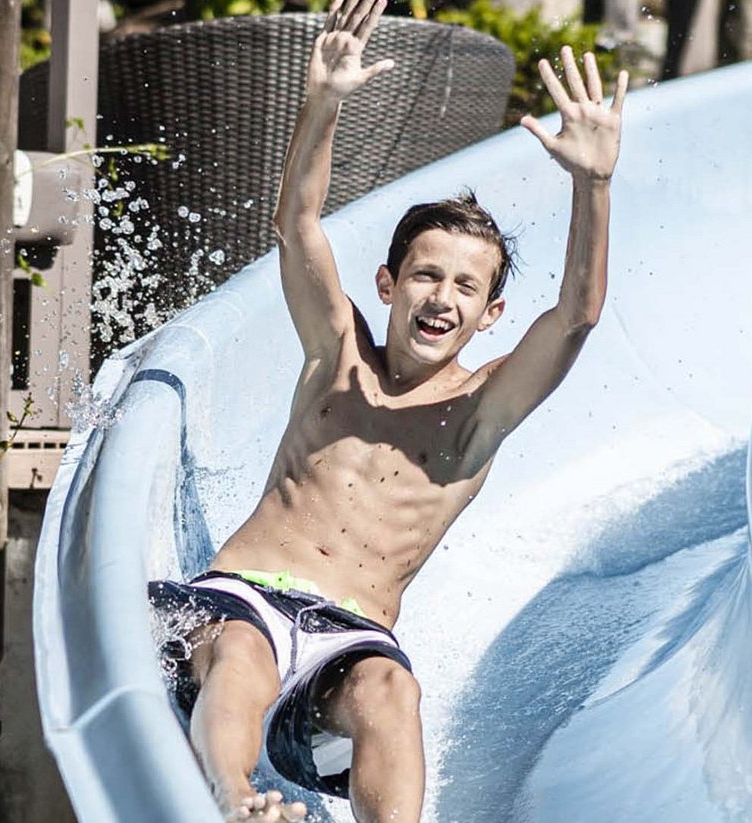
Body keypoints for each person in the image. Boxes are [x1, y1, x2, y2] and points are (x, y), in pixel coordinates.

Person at [148, 0, 627, 818]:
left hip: (349, 639)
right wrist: (323, 99)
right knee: (241, 655)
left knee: (391, 689)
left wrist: (594, 183)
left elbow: (577, 316)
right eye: (426, 275)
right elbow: (297, 225)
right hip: (238, 603)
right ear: (389, 285)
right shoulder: (338, 355)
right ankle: (235, 801)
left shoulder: (480, 413)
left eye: (466, 287)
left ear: (490, 316)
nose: (442, 298)